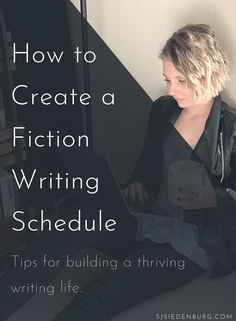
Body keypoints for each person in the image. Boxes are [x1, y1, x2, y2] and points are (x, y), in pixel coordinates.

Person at [0, 23, 236, 321]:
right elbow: (144, 167)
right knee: (74, 220)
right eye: (168, 79)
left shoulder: (231, 130)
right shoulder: (164, 109)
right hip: (145, 215)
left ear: (208, 74)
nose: (171, 89)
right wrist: (135, 184)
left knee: (98, 294)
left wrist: (212, 199)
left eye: (181, 80)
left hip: (192, 238)